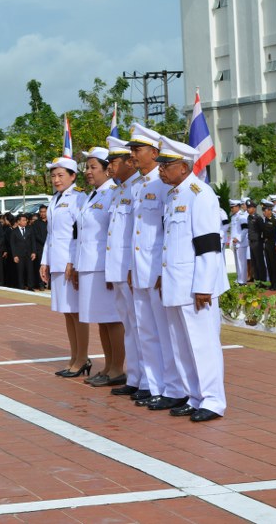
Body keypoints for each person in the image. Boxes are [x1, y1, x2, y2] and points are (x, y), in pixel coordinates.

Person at [157, 136, 229, 422]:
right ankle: (193, 395)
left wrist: (203, 287)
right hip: (177, 282)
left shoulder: (201, 194)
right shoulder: (174, 195)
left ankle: (213, 401)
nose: (161, 170)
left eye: (166, 165)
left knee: (203, 343)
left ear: (183, 168)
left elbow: (209, 245)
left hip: (196, 285)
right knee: (181, 345)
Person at [126, 124, 186, 410]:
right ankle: (153, 384)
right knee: (145, 329)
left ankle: (173, 386)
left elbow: (167, 232)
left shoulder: (164, 185)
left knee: (165, 332)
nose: (133, 156)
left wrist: (163, 270)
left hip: (157, 270)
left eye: (137, 150)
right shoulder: (138, 185)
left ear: (154, 152)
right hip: (139, 269)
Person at [74, 146, 123, 387]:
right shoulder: (94, 195)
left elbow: (113, 236)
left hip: (104, 266)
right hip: (89, 265)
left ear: (107, 168)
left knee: (113, 319)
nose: (88, 171)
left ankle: (118, 368)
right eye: (87, 167)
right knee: (102, 319)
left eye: (93, 167)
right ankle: (108, 366)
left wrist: (112, 269)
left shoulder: (113, 192)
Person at [39, 157, 88, 377]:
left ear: (73, 176)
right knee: (67, 313)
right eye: (53, 175)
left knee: (77, 313)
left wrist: (74, 261)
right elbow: (51, 235)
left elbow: (80, 234)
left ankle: (82, 358)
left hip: (70, 263)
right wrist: (44, 260)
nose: (56, 180)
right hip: (57, 262)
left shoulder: (79, 198)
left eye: (60, 175)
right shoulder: (54, 199)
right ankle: (74, 356)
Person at [104, 136, 144, 396]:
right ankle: (136, 377)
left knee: (142, 327)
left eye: (114, 161)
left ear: (130, 162)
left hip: (132, 270)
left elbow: (136, 235)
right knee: (130, 326)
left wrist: (129, 268)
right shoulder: (119, 191)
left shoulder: (137, 188)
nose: (109, 166)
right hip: (118, 270)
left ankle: (148, 381)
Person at [10, 213, 36, 290]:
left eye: (26, 220)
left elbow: (33, 241)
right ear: (18, 222)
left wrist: (34, 252)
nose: (25, 222)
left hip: (29, 254)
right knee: (20, 271)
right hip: (19, 254)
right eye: (23, 220)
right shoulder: (14, 231)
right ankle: (21, 286)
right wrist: (14, 255)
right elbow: (12, 244)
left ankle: (30, 286)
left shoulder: (29, 229)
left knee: (30, 271)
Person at [261, 202, 276, 291]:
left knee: (274, 265)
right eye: (263, 211)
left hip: (273, 243)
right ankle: (272, 284)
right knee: (269, 265)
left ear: (269, 210)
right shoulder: (265, 219)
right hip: (267, 244)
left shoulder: (274, 220)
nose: (263, 213)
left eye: (265, 211)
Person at [246, 200, 266, 284]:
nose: (248, 209)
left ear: (254, 208)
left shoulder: (258, 218)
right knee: (254, 262)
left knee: (259, 262)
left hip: (257, 242)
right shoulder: (249, 217)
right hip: (251, 242)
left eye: (249, 208)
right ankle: (257, 280)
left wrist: (261, 241)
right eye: (247, 208)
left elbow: (262, 230)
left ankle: (262, 281)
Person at [229, 199, 248, 284]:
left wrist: (238, 238)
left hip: (241, 243)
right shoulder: (233, 217)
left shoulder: (241, 216)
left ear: (237, 207)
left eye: (232, 207)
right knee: (237, 263)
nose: (231, 209)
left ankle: (243, 280)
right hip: (235, 243)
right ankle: (239, 279)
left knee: (242, 263)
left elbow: (245, 229)